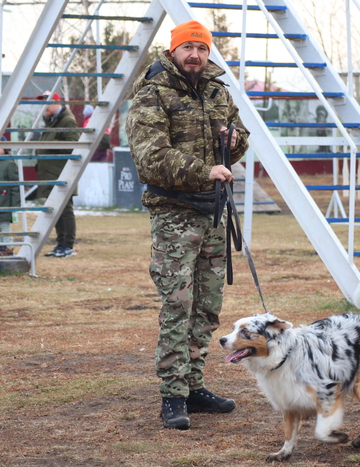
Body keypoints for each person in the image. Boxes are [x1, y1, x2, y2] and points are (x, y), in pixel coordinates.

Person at [126, 20, 250, 430]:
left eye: (201, 48)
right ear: (173, 51)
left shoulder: (217, 90)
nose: (195, 55)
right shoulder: (152, 92)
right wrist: (205, 170)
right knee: (178, 306)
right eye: (187, 48)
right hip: (175, 214)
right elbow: (150, 157)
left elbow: (241, 134)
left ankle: (195, 386)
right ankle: (173, 395)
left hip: (214, 212)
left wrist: (234, 141)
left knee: (207, 307)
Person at [36, 90, 80, 258]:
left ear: (57, 102)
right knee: (56, 211)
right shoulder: (51, 121)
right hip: (51, 173)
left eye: (47, 102)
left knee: (65, 210)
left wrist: (48, 143)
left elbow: (73, 145)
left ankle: (67, 245)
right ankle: (60, 244)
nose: (44, 106)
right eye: (42, 103)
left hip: (61, 174)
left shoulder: (67, 120)